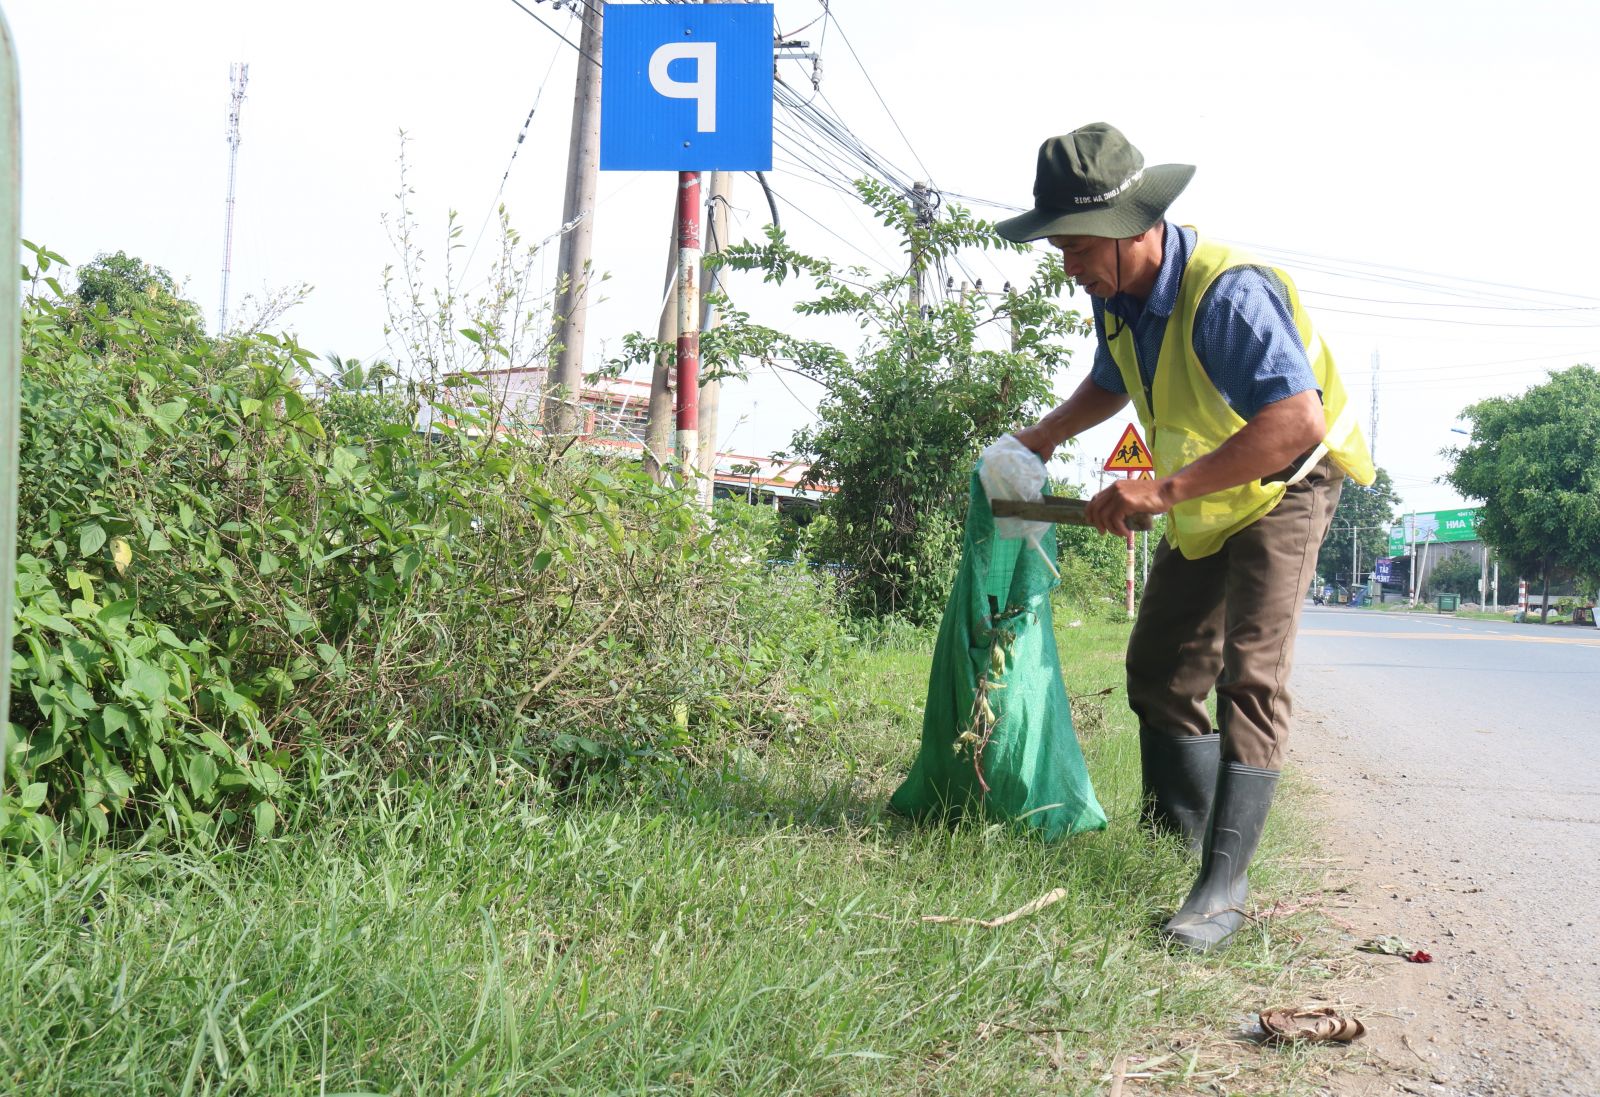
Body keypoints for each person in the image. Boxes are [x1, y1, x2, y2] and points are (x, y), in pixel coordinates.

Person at [997, 123, 1375, 952]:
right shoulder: (1117, 292)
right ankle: (1176, 842)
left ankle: (1223, 885)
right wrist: (1041, 437)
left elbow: (1294, 420)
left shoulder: (1227, 295)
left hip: (1289, 479)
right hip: (1211, 489)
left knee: (1251, 672)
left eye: (1076, 244)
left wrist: (1160, 490)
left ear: (1137, 226)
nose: (1066, 262)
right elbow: (1112, 377)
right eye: (1057, 244)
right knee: (1158, 666)